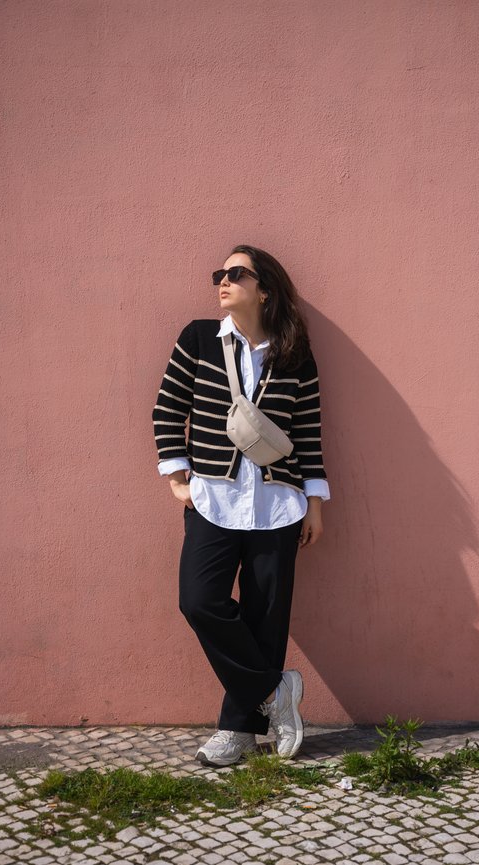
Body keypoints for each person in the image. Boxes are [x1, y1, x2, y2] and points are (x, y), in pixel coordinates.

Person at [152, 244, 330, 767]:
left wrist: (315, 504)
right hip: (212, 499)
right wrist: (176, 477)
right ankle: (276, 694)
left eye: (236, 273)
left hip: (279, 504)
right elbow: (167, 409)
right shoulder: (199, 339)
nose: (222, 281)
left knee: (265, 619)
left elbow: (308, 432)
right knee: (199, 600)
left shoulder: (295, 352)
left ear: (265, 289)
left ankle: (237, 731)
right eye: (219, 274)